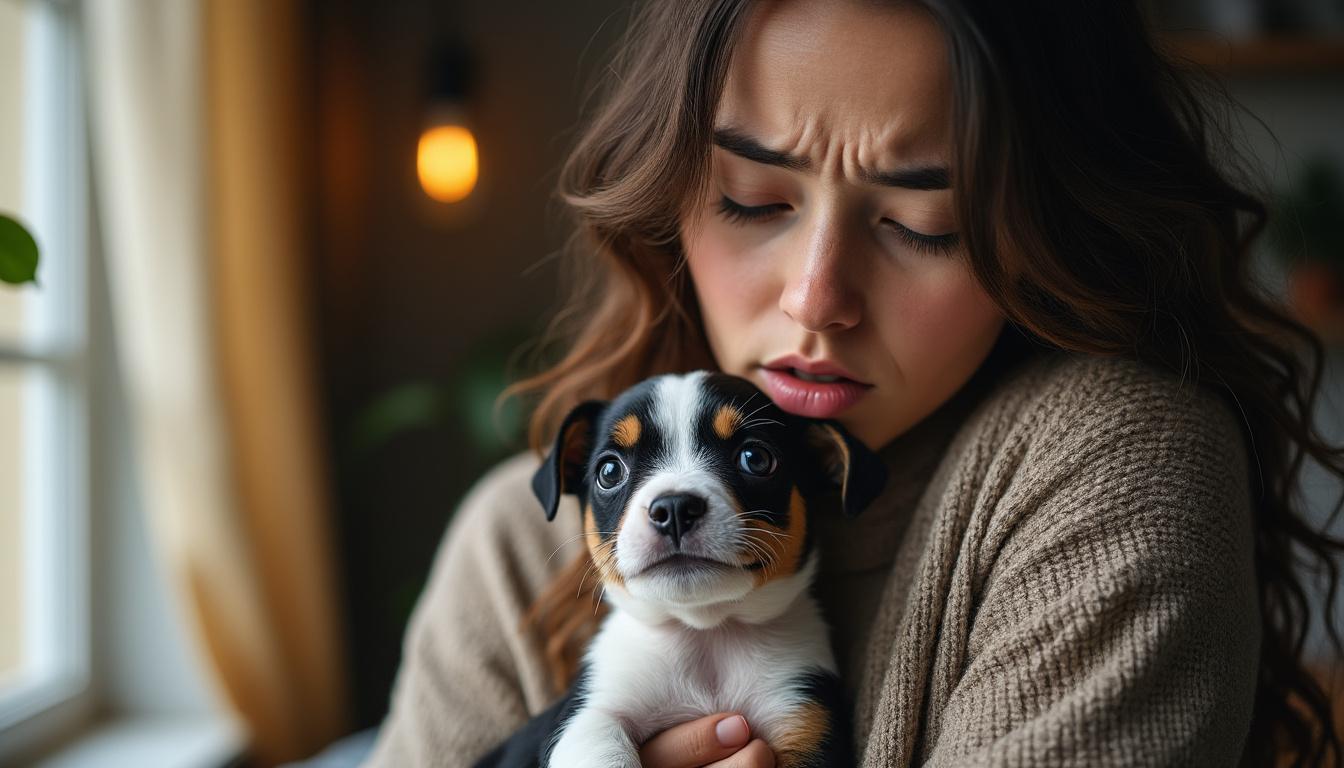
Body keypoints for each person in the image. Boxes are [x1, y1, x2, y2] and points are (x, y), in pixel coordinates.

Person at [363, 1, 1344, 766]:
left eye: (925, 225)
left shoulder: (1109, 467)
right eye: (752, 202)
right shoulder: (513, 548)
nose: (816, 298)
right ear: (668, 196)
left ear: (1050, 229)